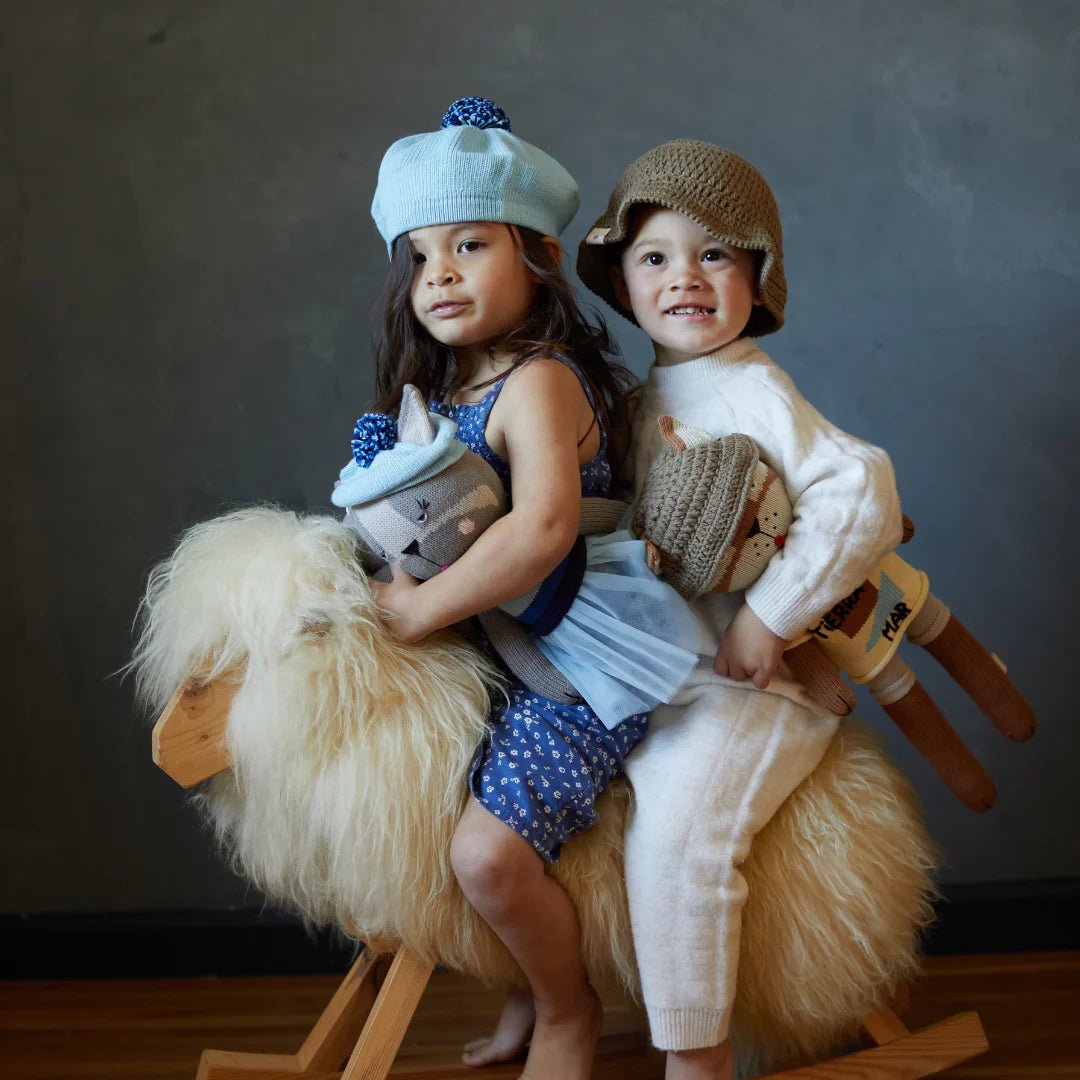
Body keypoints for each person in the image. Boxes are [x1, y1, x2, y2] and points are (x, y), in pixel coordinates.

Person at [575, 140, 905, 1079]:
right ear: (624, 281)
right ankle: (550, 1000)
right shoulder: (644, 402)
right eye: (654, 257)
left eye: (714, 254)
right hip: (672, 673)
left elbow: (861, 492)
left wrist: (771, 616)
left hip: (750, 689)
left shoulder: (754, 389)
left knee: (679, 831)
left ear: (758, 278)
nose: (684, 277)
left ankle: (698, 1056)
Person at [357, 97, 669, 1080]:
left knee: (486, 856)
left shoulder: (538, 380)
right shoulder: (442, 395)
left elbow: (540, 532)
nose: (440, 272)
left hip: (579, 656)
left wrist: (415, 609)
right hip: (495, 654)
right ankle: (524, 992)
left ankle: (571, 1012)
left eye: (470, 244)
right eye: (420, 255)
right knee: (425, 812)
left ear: (537, 254)